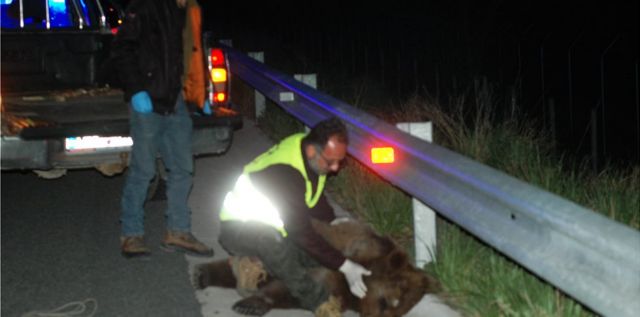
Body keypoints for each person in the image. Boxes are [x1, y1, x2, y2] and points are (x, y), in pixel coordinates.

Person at [218, 117, 371, 317]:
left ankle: (254, 264)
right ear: (311, 151)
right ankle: (319, 302)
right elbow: (301, 232)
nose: (335, 168)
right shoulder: (285, 171)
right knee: (279, 247)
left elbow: (313, 196)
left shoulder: (308, 149)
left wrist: (331, 221)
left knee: (315, 255)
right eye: (331, 161)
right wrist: (346, 266)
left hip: (275, 227)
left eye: (339, 162)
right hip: (238, 229)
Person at [111, 0, 212, 258]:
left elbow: (193, 53)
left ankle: (178, 231)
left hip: (175, 100)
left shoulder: (190, 10)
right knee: (144, 170)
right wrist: (136, 90)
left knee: (182, 169)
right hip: (148, 101)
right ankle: (131, 233)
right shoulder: (146, 6)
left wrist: (201, 94)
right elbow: (122, 48)